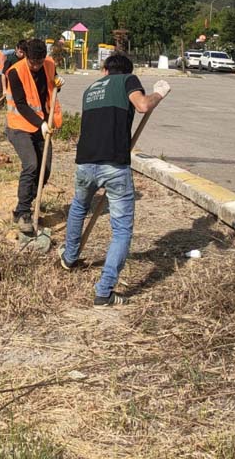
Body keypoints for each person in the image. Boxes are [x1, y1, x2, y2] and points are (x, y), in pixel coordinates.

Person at [58, 54, 169, 306]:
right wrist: (158, 94)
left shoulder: (90, 88)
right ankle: (104, 291)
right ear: (124, 71)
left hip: (85, 163)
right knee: (121, 230)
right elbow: (141, 105)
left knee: (78, 208)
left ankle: (70, 256)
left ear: (105, 70)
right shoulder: (127, 80)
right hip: (114, 166)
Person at [4, 38, 63, 233]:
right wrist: (41, 123)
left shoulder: (49, 64)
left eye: (40, 61)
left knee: (44, 170)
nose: (37, 66)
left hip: (42, 125)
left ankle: (28, 202)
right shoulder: (15, 72)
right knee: (31, 165)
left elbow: (51, 86)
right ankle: (22, 213)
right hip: (19, 125)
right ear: (26, 56)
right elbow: (21, 104)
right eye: (33, 62)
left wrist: (58, 83)